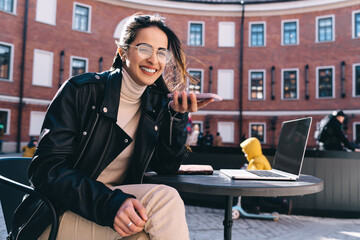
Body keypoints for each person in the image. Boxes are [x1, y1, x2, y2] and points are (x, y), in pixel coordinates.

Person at [10, 14, 215, 240]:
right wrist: (110, 204)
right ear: (123, 51)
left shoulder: (156, 104)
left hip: (112, 213)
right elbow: (46, 170)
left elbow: (165, 166)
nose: (154, 60)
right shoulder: (81, 91)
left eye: (161, 52)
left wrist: (176, 117)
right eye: (145, 49)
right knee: (165, 199)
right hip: (57, 216)